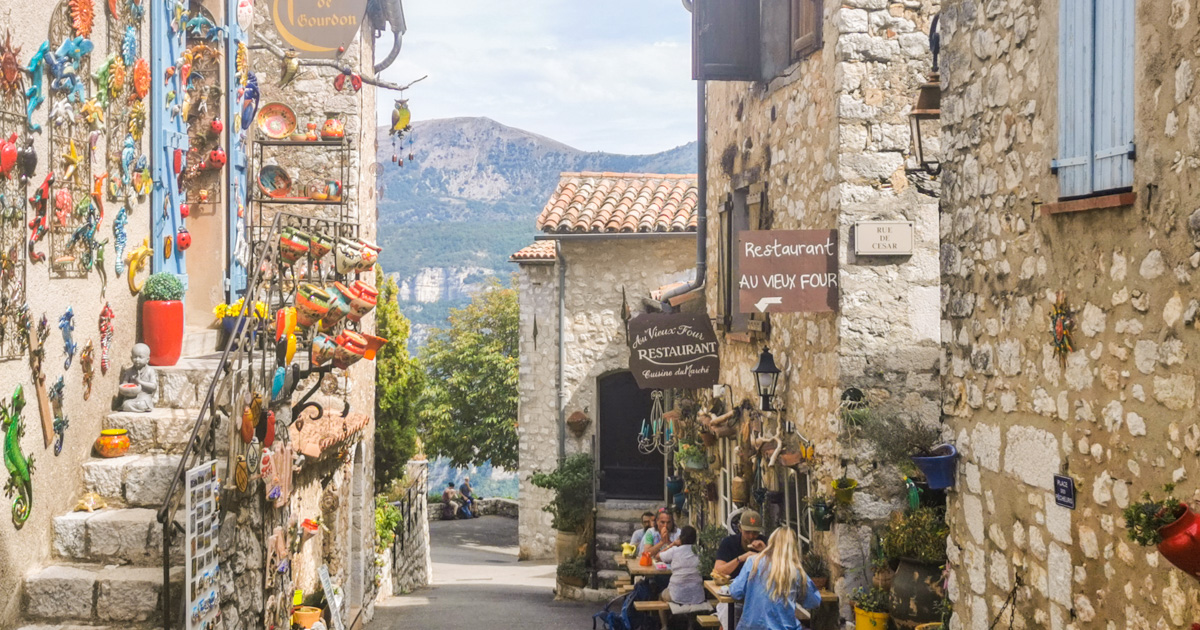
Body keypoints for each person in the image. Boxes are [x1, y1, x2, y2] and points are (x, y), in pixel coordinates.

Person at [728, 527, 821, 630]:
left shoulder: (753, 562)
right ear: (793, 547)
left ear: (771, 542)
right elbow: (814, 601)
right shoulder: (795, 571)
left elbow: (735, 592)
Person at [713, 510, 768, 628]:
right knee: (727, 614)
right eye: (747, 532)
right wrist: (740, 559)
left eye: (755, 532)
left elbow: (779, 567)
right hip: (732, 598)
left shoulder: (765, 543)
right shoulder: (729, 543)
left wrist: (765, 551)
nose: (751, 536)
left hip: (758, 598)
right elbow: (718, 570)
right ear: (740, 528)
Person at [656, 525, 707, 606]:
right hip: (697, 596)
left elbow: (658, 556)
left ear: (680, 538)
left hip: (676, 594)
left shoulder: (675, 550)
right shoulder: (700, 551)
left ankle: (663, 619)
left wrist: (672, 544)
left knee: (660, 596)